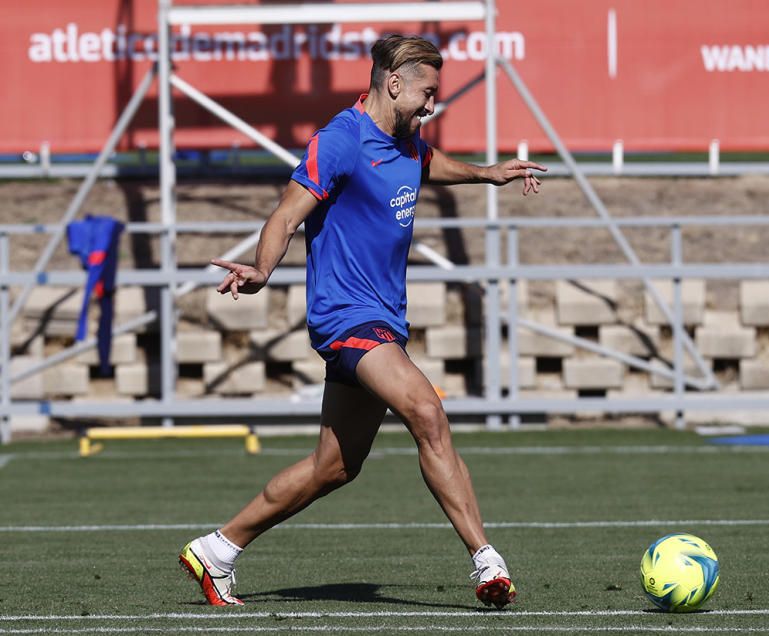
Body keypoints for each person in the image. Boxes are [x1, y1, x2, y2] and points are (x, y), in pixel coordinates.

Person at [177, 35, 544, 610]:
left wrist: (487, 174)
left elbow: (426, 163)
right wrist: (262, 269)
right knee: (427, 411)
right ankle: (486, 560)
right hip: (346, 317)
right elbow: (286, 214)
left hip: (382, 320)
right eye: (427, 93)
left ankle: (217, 549)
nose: (432, 106)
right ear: (394, 84)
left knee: (333, 467)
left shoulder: (405, 139)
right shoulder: (340, 141)